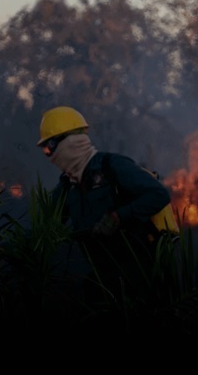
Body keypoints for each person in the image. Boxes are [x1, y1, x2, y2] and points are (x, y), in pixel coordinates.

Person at [36, 105, 172, 313]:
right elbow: (42, 224)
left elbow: (158, 195)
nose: (49, 155)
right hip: (101, 275)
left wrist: (118, 217)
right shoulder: (67, 186)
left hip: (139, 270)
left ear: (69, 141)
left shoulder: (112, 166)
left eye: (49, 147)